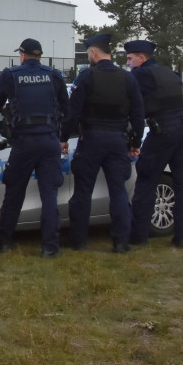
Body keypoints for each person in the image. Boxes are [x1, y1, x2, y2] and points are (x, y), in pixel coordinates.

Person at [62, 33, 145, 253]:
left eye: (88, 53)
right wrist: (136, 141)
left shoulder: (86, 77)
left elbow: (72, 112)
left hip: (91, 139)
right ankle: (120, 242)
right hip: (118, 140)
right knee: (118, 192)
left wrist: (63, 138)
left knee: (83, 192)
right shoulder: (127, 78)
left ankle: (79, 241)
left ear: (94, 52)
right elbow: (138, 114)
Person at [0, 38, 70, 258]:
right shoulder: (53, 75)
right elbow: (66, 108)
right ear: (40, 56)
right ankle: (50, 247)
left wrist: (2, 130)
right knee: (49, 195)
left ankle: (3, 242)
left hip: (24, 142)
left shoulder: (11, 75)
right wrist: (61, 136)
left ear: (23, 55)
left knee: (14, 193)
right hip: (49, 141)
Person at [124, 40, 183, 248]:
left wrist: (134, 139)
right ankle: (182, 236)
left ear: (141, 58)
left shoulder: (140, 75)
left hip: (163, 132)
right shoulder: (170, 74)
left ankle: (139, 236)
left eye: (130, 59)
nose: (128, 63)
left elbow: (135, 108)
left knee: (147, 181)